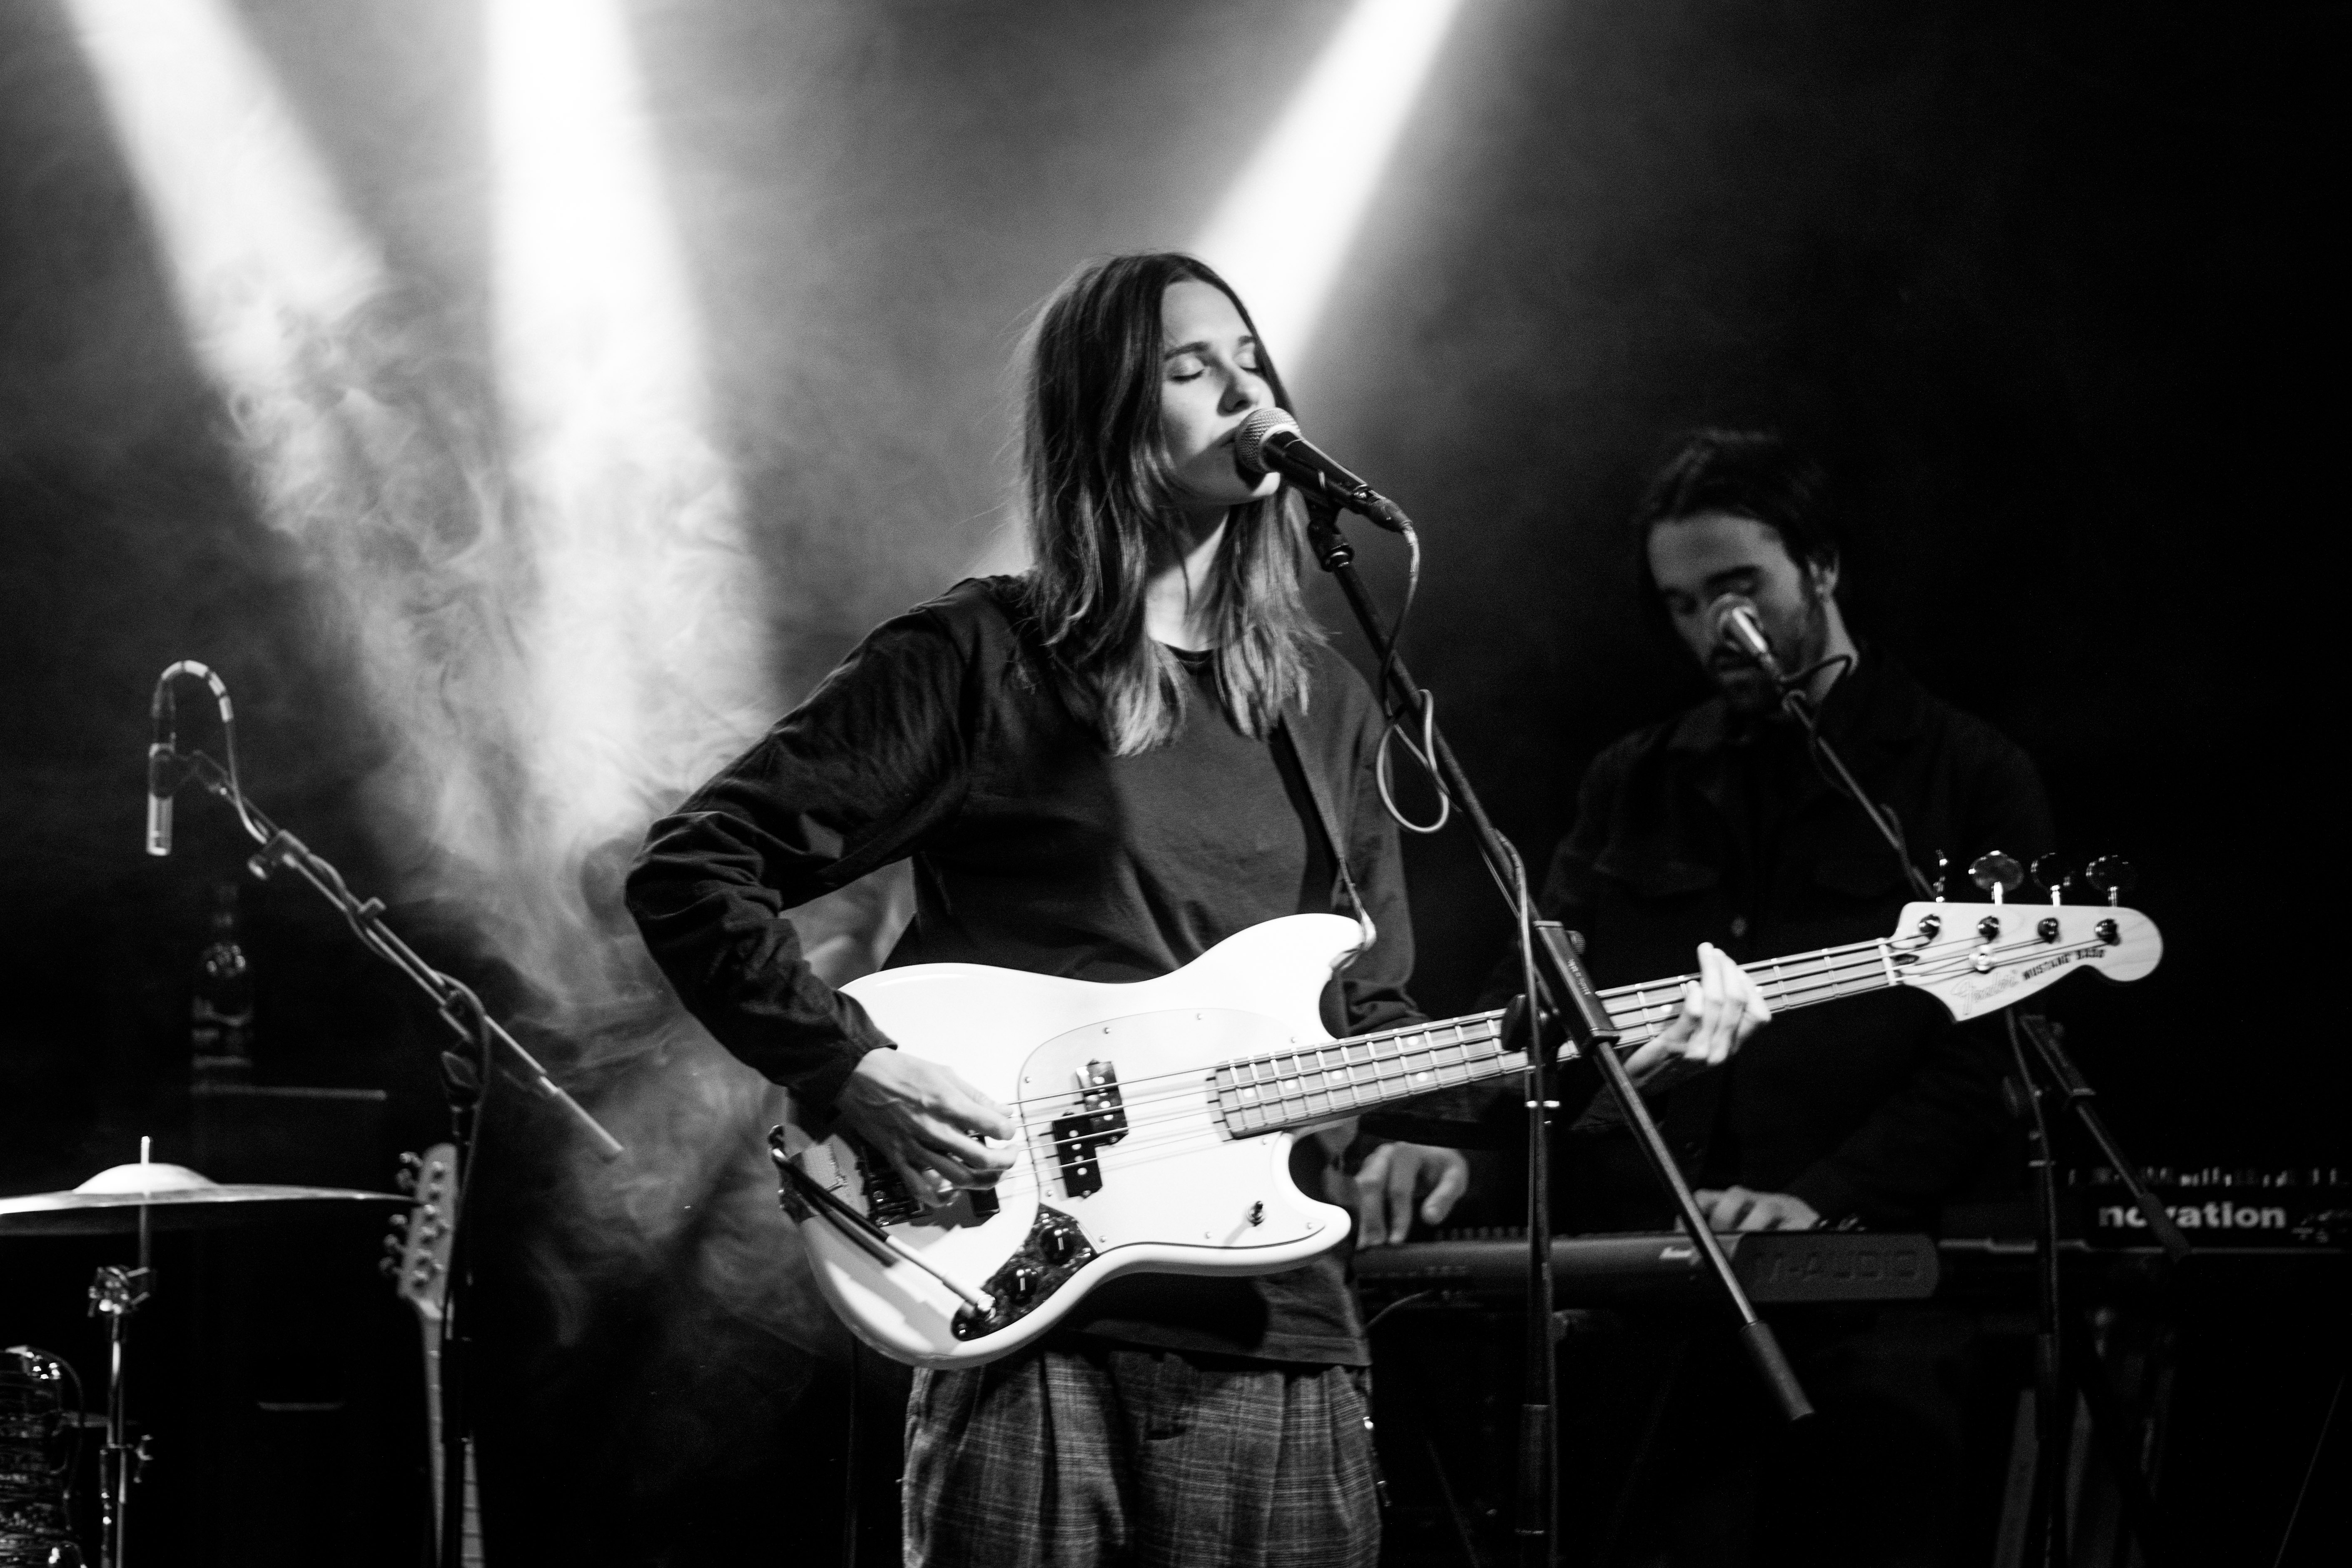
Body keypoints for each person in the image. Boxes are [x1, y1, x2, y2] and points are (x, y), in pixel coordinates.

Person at [623, 254, 1768, 1568]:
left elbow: (1368, 1029)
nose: (1243, 388)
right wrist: (849, 1065)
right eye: (1190, 367)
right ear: (1107, 416)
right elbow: (695, 868)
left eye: (1252, 359)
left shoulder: (1329, 703)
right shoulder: (985, 660)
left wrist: (1595, 1066)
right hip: (1035, 1327)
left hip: (1278, 1332)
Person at [1532, 429, 2056, 1566]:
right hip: (1652, 1297)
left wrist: (1822, 1201)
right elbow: (1541, 1007)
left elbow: (1987, 1058)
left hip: (1873, 1306)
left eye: (1740, 588)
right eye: (1684, 605)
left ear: (1820, 566)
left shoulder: (1968, 776)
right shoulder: (1636, 781)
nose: (1716, 629)